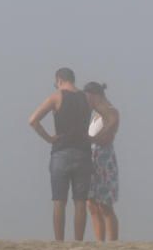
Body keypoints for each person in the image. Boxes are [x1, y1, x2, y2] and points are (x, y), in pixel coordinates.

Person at [29, 67, 95, 241]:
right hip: (82, 152)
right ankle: (78, 241)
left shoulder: (56, 97)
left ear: (59, 80)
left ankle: (59, 241)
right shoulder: (87, 98)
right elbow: (110, 117)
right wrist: (97, 136)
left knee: (59, 200)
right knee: (80, 201)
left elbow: (33, 120)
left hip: (61, 152)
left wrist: (49, 138)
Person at [84, 81, 120, 241]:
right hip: (90, 159)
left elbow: (107, 137)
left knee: (105, 205)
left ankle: (112, 243)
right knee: (91, 204)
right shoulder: (94, 115)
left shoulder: (112, 112)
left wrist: (89, 139)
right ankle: (100, 242)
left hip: (104, 161)